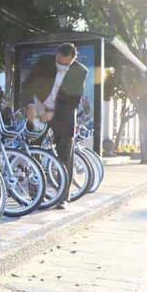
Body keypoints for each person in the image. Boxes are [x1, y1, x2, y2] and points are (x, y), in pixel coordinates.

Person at [20, 42, 88, 209]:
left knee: (65, 155)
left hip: (63, 115)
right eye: (59, 62)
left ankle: (63, 197)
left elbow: (73, 100)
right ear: (56, 55)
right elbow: (28, 85)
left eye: (65, 63)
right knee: (33, 151)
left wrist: (52, 112)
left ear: (73, 59)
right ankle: (35, 196)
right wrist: (29, 105)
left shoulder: (80, 71)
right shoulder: (44, 62)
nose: (61, 65)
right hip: (38, 111)